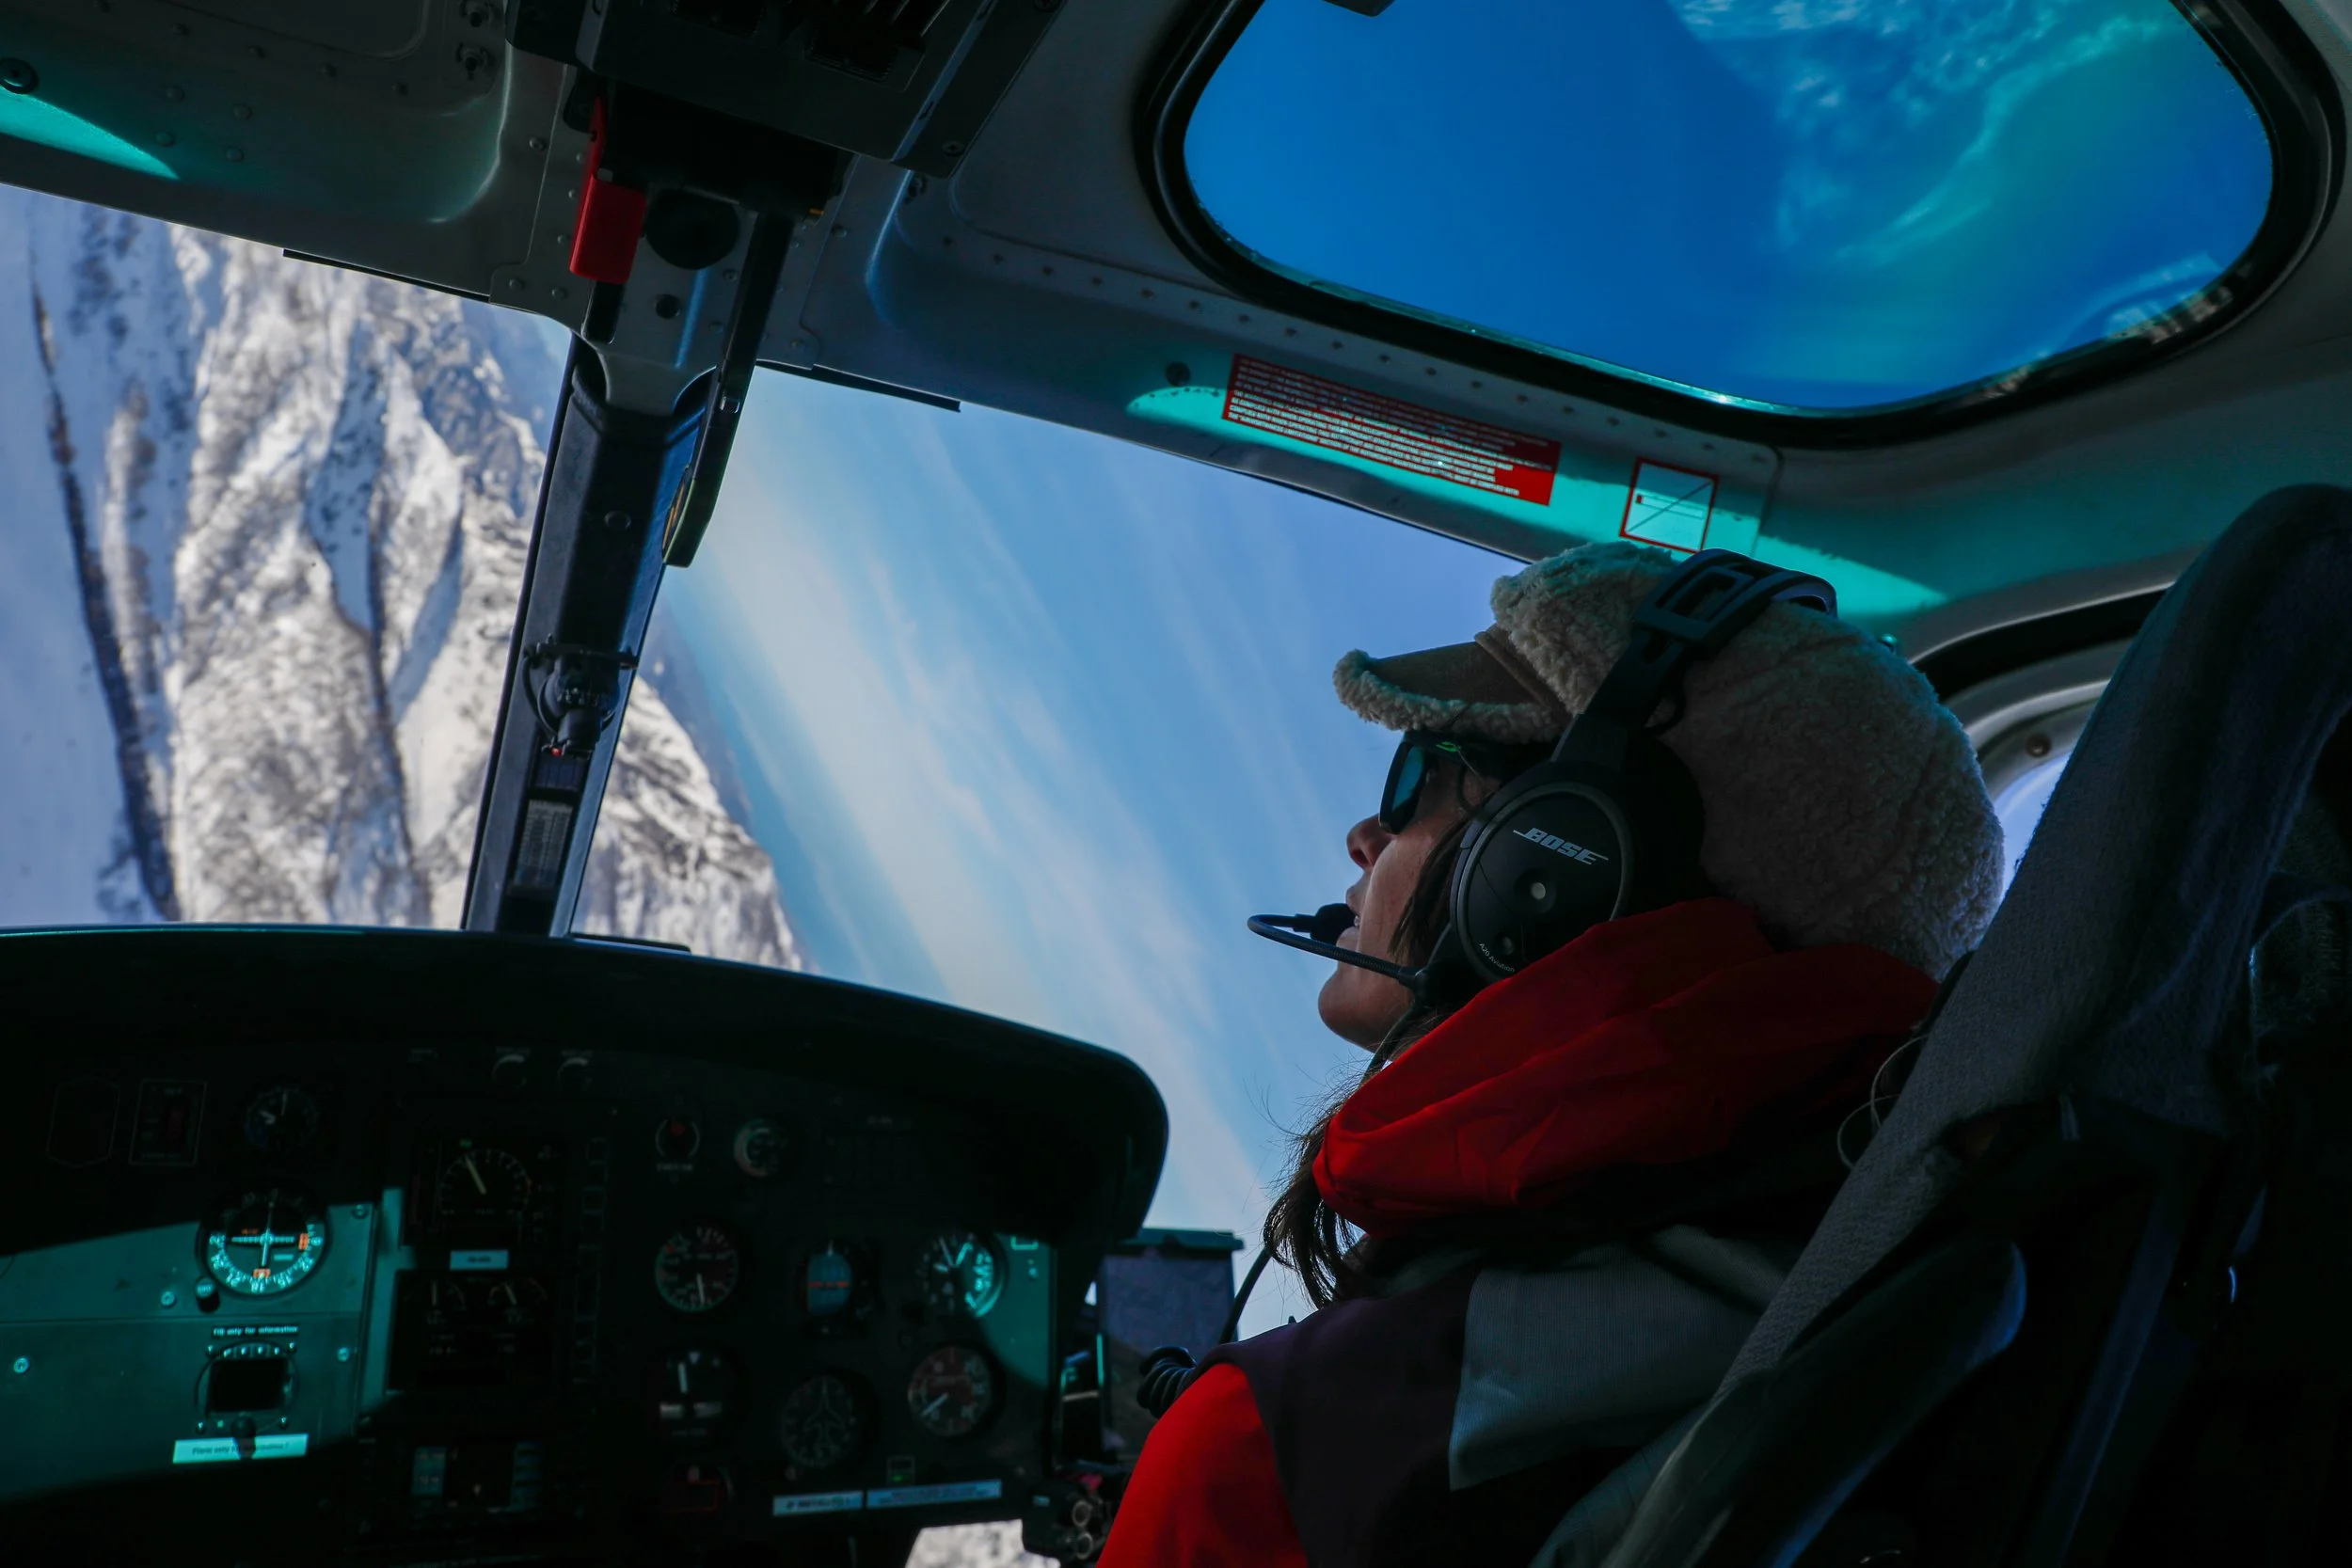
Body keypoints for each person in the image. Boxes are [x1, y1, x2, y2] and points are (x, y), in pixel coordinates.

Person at [1097, 541, 2004, 1568]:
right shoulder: (1822, 1291)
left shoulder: (1268, 1458)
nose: (1361, 834)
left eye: (1416, 777)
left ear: (1562, 864)